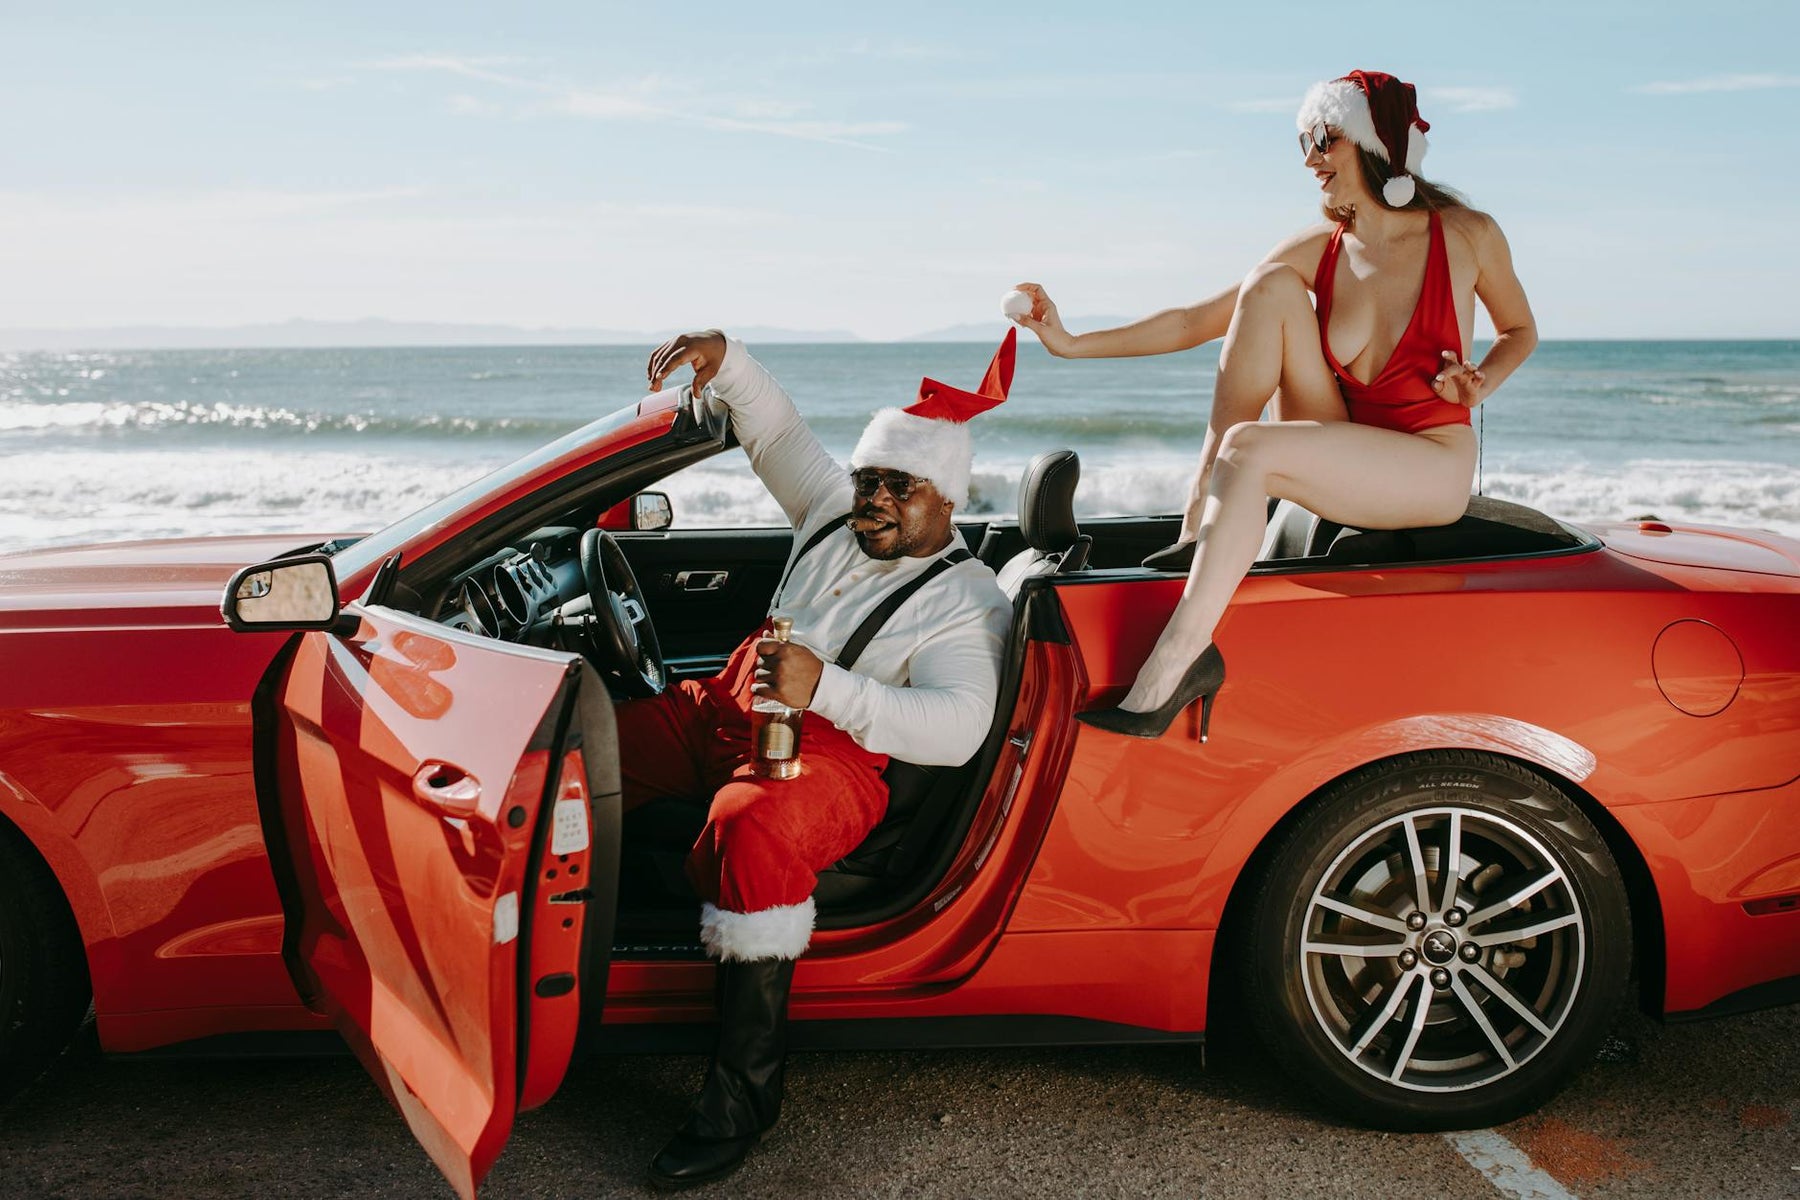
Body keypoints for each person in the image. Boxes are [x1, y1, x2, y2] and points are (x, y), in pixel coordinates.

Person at [1011, 70, 1537, 737]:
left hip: (1431, 462)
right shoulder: (1319, 250)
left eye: (1323, 139)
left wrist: (1481, 380)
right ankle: (1201, 517)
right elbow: (1192, 321)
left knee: (1249, 448)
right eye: (1304, 143)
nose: (1310, 160)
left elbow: (1522, 330)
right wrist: (1070, 341)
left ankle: (1180, 655)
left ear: (1375, 142)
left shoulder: (1465, 235)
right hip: (1346, 443)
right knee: (1267, 288)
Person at [630, 328, 1015, 1188]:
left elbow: (958, 728)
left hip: (837, 756)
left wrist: (828, 688)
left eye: (900, 487)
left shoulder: (965, 601)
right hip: (727, 708)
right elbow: (773, 431)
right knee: (580, 747)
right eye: (870, 479)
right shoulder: (834, 514)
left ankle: (741, 1101)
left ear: (945, 497)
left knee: (752, 827)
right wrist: (723, 358)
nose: (875, 500)